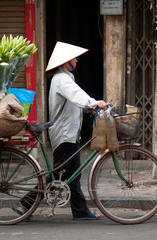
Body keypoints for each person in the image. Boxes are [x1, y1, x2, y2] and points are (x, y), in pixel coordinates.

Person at [20, 41, 106, 220]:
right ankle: (26, 204)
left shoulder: (66, 77)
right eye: (74, 58)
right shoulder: (62, 79)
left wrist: (87, 108)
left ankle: (80, 211)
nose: (77, 61)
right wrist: (93, 103)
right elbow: (76, 95)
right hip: (64, 134)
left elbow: (73, 101)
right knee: (57, 177)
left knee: (74, 175)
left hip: (70, 134)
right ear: (66, 61)